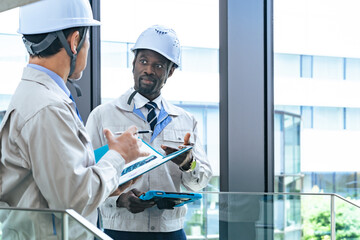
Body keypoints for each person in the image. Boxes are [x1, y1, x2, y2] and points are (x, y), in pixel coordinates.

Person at [0, 0, 147, 239]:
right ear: (75, 41)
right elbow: (73, 199)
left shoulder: (39, 97)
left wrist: (107, 184)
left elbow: (59, 184)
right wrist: (119, 156)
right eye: (87, 40)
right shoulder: (47, 107)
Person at [86, 25, 213, 240]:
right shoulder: (103, 116)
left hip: (171, 232)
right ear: (133, 64)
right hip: (121, 231)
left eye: (159, 65)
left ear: (170, 71)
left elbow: (200, 182)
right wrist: (120, 199)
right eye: (143, 61)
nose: (149, 70)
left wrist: (188, 163)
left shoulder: (185, 120)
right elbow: (86, 179)